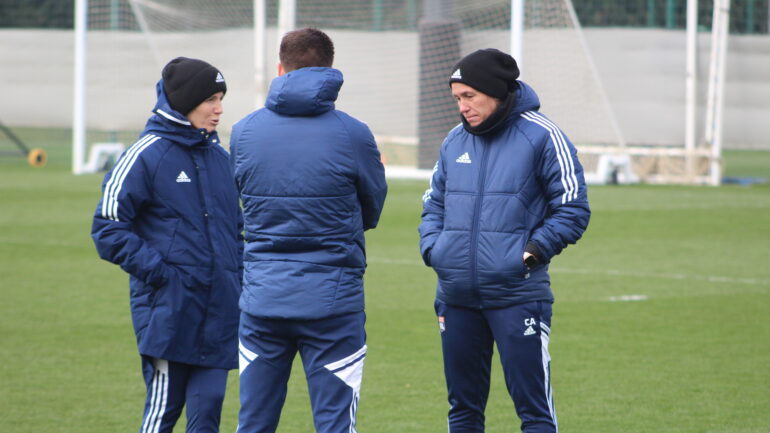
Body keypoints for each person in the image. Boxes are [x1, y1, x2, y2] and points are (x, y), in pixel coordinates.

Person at [419, 48, 591, 433]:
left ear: (496, 92)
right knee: (462, 411)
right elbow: (433, 205)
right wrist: (435, 250)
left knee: (534, 413)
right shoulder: (453, 142)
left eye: (469, 97)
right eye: (457, 99)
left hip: (517, 296)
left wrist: (531, 253)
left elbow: (573, 209)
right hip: (456, 297)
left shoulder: (544, 136)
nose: (462, 107)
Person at [229, 28, 387, 433]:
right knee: (336, 425)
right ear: (329, 71)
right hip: (332, 303)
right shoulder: (353, 133)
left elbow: (238, 203)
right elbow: (371, 208)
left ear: (281, 68)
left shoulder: (244, 131)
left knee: (254, 423)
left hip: (262, 298)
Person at [91, 57, 243, 433]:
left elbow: (238, 232)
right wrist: (162, 275)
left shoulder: (222, 158)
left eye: (221, 98)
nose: (219, 109)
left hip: (220, 311)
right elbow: (107, 227)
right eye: (211, 99)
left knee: (207, 414)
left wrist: (239, 281)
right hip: (170, 311)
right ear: (186, 101)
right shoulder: (147, 153)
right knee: (163, 413)